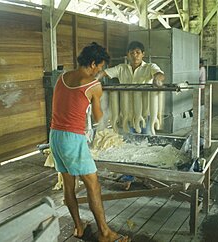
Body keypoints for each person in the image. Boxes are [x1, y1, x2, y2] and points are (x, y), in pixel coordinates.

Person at [49, 43, 130, 242]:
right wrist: (99, 105)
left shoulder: (62, 77)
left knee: (69, 185)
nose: (100, 71)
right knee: (93, 185)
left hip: (55, 135)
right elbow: (96, 118)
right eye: (100, 67)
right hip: (72, 139)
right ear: (93, 63)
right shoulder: (93, 85)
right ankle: (105, 233)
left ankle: (78, 227)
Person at [99, 41, 165, 190]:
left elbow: (160, 74)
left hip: (146, 113)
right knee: (129, 143)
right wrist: (93, 79)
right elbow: (104, 73)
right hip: (127, 113)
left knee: (146, 143)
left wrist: (156, 79)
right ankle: (129, 176)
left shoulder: (149, 67)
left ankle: (147, 177)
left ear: (143, 54)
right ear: (127, 55)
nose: (135, 55)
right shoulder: (122, 68)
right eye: (132, 53)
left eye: (137, 52)